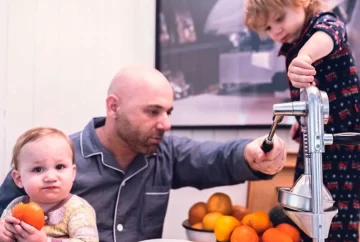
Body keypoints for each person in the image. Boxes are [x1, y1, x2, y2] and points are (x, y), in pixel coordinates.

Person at [0, 66, 287, 242]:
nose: (165, 123)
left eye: (168, 112)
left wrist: (251, 153)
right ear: (114, 107)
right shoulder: (57, 161)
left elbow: (215, 158)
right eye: (152, 111)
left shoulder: (165, 153)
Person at [244, 0, 360, 241]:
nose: (274, 31)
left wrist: (305, 56)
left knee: (336, 216)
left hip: (343, 145)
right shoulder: (292, 46)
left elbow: (332, 32)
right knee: (305, 211)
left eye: (278, 19)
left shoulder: (323, 25)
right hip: (314, 144)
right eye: (267, 28)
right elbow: (311, 101)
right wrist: (303, 120)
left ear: (302, 2)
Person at [0, 127, 99, 242]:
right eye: (38, 169)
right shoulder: (15, 207)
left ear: (72, 173)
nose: (51, 177)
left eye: (59, 167)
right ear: (19, 179)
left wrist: (46, 241)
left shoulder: (78, 209)